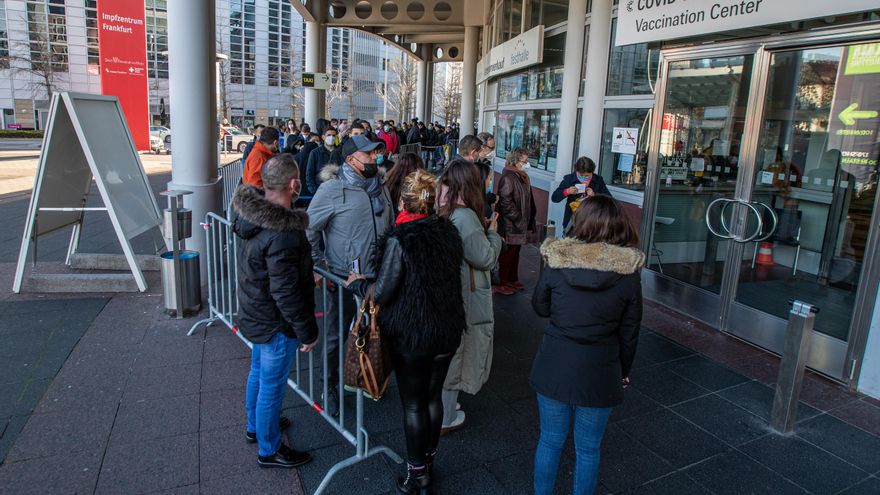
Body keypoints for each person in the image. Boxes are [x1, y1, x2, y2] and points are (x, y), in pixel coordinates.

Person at [346, 170, 465, 494]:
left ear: (403, 202)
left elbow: (383, 292)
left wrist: (360, 285)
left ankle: (418, 475)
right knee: (433, 397)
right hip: (447, 329)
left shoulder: (400, 240)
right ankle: (428, 461)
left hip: (412, 335)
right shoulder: (448, 233)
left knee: (413, 404)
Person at [530, 195, 643, 495]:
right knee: (589, 448)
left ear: (580, 223)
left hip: (554, 363)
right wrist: (624, 371)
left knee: (550, 440)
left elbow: (540, 307)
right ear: (619, 225)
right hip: (601, 369)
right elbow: (630, 332)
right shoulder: (628, 275)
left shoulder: (557, 263)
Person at [232, 154, 320, 469]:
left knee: (258, 373)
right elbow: (285, 291)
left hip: (256, 312)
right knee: (271, 386)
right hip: (276, 323)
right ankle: (269, 449)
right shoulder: (283, 232)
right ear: (294, 184)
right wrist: (307, 331)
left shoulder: (250, 217)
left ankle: (256, 426)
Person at [307, 134, 394, 417]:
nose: (374, 158)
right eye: (368, 154)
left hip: (377, 275)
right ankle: (329, 386)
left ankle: (365, 375)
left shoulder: (380, 186)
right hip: (344, 277)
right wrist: (318, 263)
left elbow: (390, 223)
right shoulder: (332, 189)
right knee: (336, 335)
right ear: (350, 159)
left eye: (375, 153)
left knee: (374, 330)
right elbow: (309, 228)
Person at [437, 159, 503, 434]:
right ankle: (446, 416)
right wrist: (493, 234)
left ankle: (442, 410)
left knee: (449, 355)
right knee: (459, 356)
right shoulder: (465, 217)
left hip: (449, 292)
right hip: (466, 294)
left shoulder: (445, 208)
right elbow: (485, 258)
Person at [495, 147, 536, 295]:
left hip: (520, 222)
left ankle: (512, 278)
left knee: (516, 251)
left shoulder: (522, 176)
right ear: (515, 161)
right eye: (524, 161)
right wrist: (517, 217)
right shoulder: (508, 177)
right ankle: (502, 282)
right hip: (510, 224)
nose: (527, 164)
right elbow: (505, 202)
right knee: (508, 254)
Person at [551, 157, 610, 230]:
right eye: (581, 176)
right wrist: (567, 191)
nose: (584, 178)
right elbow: (554, 198)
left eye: (587, 176)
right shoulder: (569, 179)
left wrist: (595, 195)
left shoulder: (598, 180)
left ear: (592, 173)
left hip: (593, 221)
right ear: (577, 172)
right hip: (573, 221)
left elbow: (609, 200)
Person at [305, 126, 338, 196]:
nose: (331, 137)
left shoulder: (340, 152)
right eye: (328, 135)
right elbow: (309, 174)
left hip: (337, 191)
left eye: (334, 135)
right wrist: (315, 191)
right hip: (320, 190)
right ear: (323, 137)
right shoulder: (315, 153)